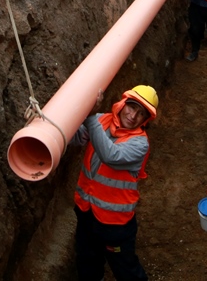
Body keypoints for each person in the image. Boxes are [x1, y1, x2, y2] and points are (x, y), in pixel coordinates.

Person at [72, 85, 158, 281]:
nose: (133, 116)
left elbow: (111, 155)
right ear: (123, 103)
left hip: (115, 224)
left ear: (145, 120)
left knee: (126, 270)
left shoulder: (140, 144)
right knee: (87, 263)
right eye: (132, 107)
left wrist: (90, 117)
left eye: (141, 113)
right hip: (86, 211)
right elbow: (77, 136)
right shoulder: (102, 120)